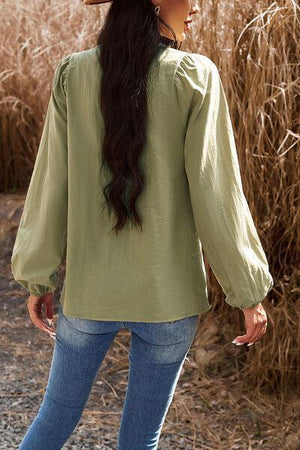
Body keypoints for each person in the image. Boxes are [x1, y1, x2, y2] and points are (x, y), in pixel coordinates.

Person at [10, 0, 274, 448]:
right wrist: (247, 292)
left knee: (54, 419)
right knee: (141, 438)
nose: (197, 8)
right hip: (166, 298)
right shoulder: (195, 76)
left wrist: (39, 276)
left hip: (90, 293)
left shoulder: (73, 74)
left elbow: (50, 185)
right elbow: (218, 196)